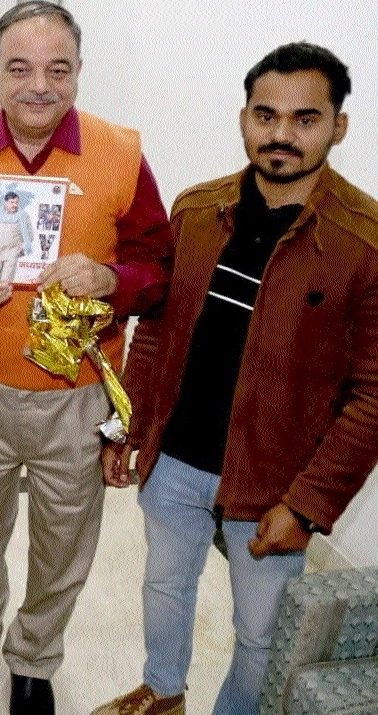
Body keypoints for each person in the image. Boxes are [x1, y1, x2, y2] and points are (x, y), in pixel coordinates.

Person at [93, 43, 378, 715]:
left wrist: (307, 506)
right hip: (175, 465)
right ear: (244, 118)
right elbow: (156, 331)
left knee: (258, 635)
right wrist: (124, 429)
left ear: (338, 126)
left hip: (275, 486)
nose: (282, 134)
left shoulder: (362, 245)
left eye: (305, 119)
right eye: (266, 115)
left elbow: (372, 398)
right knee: (165, 588)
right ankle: (163, 693)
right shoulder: (197, 212)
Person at [0, 1, 173, 715]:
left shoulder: (120, 153)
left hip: (78, 395)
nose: (39, 86)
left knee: (65, 538)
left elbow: (160, 266)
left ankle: (34, 656)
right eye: (21, 68)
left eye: (57, 69)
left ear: (78, 75)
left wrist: (112, 279)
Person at [0, 191, 33, 282]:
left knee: (6, 281)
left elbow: (30, 234)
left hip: (12, 252)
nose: (14, 205)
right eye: (12, 202)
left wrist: (21, 248)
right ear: (5, 202)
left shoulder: (23, 216)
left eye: (16, 202)